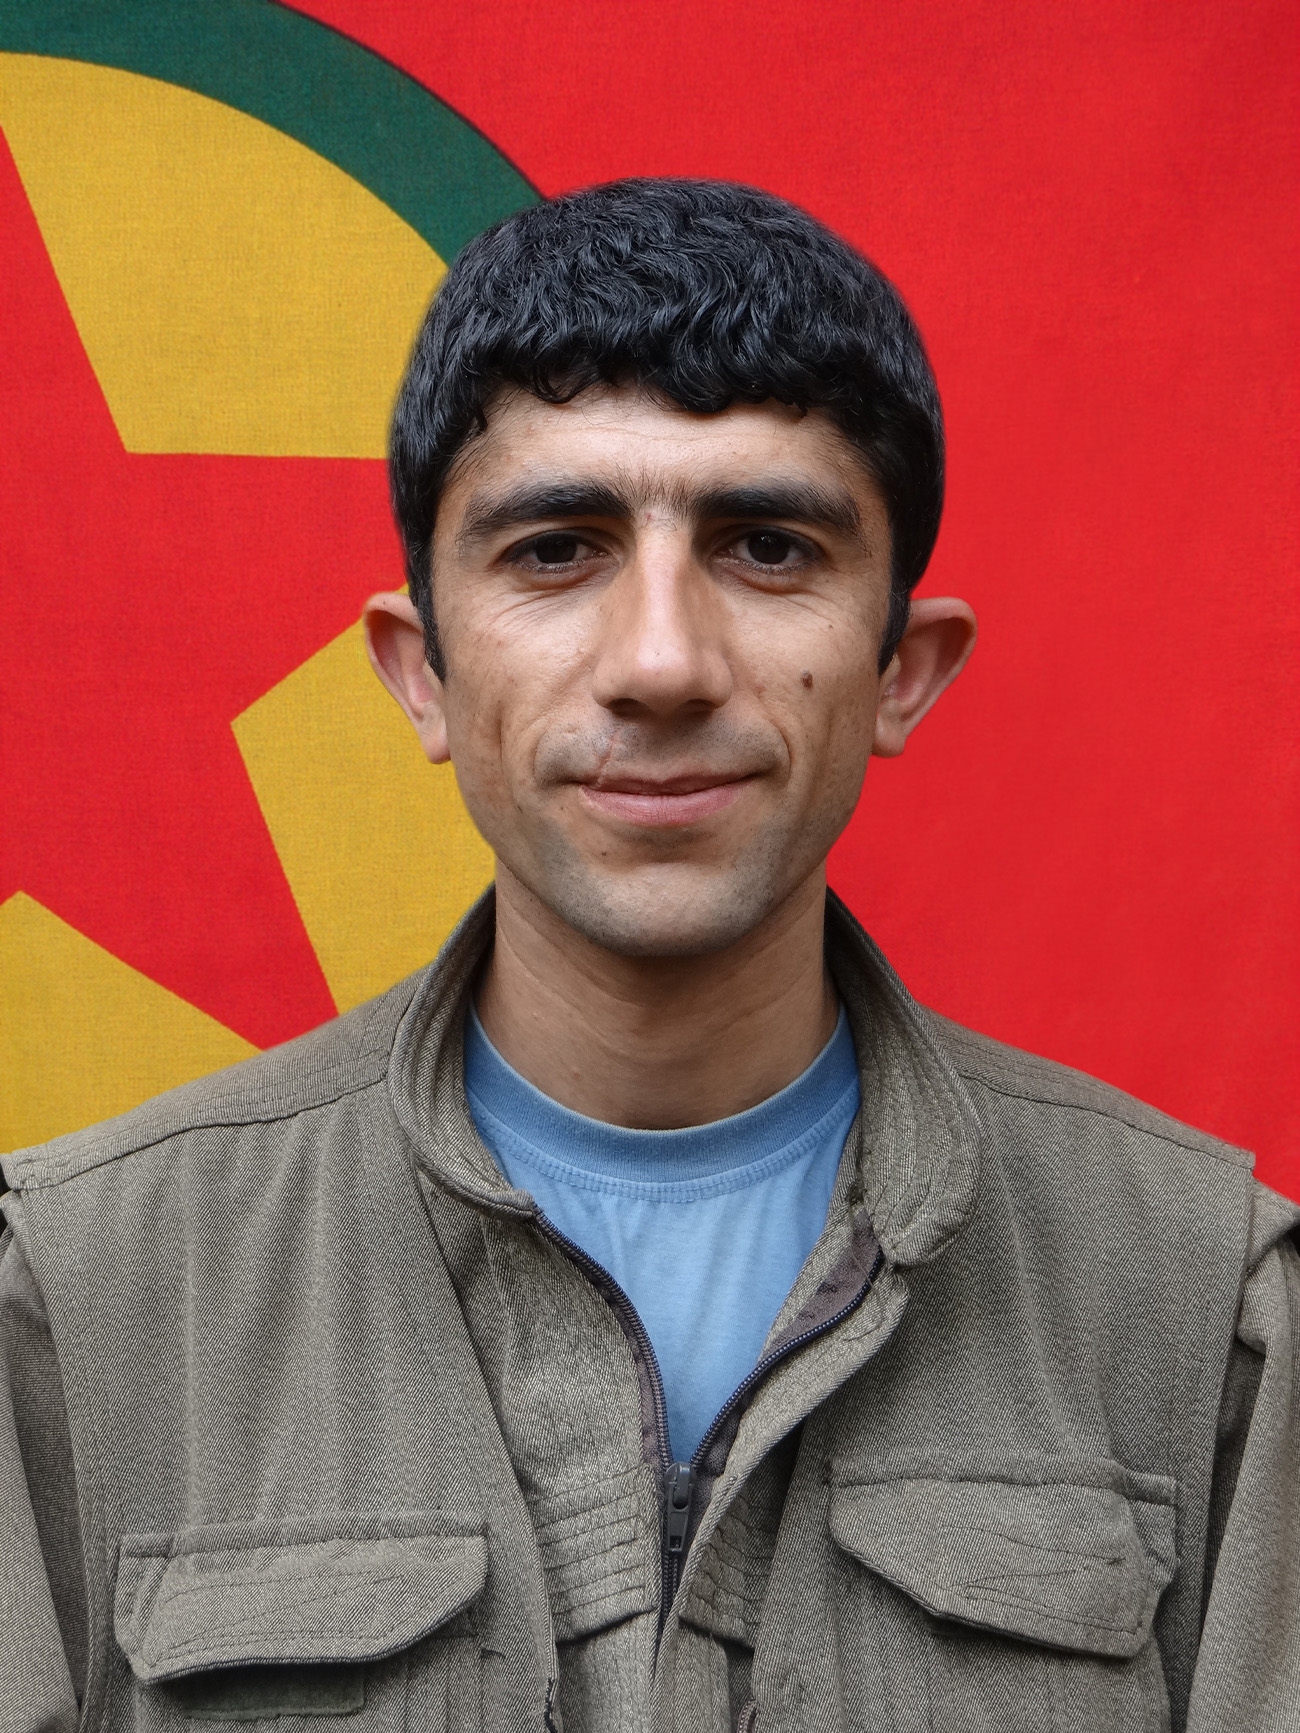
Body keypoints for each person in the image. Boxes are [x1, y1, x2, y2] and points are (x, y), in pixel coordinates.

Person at [2, 179, 1296, 1733]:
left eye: (769, 547)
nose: (663, 661)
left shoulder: (1207, 1311)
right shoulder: (79, 1304)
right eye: (558, 549)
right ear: (421, 672)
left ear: (904, 668)